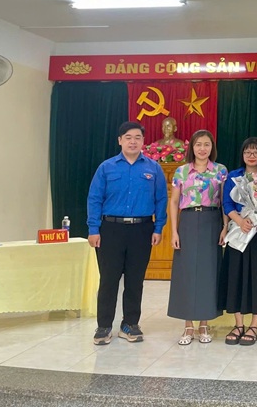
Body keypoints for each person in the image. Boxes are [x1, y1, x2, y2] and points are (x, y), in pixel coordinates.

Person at [87, 121, 167, 345]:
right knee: (109, 279)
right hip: (110, 229)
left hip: (142, 230)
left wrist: (158, 228)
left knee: (135, 279)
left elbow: (161, 200)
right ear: (120, 140)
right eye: (128, 137)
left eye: (137, 138)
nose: (133, 142)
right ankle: (104, 326)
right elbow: (94, 199)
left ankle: (130, 324)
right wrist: (93, 229)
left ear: (143, 141)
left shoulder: (153, 168)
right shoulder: (106, 168)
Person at [167, 129, 228, 345]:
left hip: (212, 222)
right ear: (192, 147)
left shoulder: (220, 171)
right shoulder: (182, 171)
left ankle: (204, 323)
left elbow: (224, 202)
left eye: (206, 145)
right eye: (198, 144)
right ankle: (188, 325)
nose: (202, 149)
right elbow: (174, 202)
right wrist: (174, 231)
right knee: (186, 273)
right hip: (188, 222)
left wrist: (225, 227)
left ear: (212, 148)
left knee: (208, 273)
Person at [217, 137, 257, 346]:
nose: (251, 156)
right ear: (242, 155)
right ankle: (238, 324)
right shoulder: (234, 176)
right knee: (236, 275)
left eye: (256, 152)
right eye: (247, 152)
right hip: (238, 230)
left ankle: (254, 325)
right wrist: (240, 221)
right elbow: (227, 203)